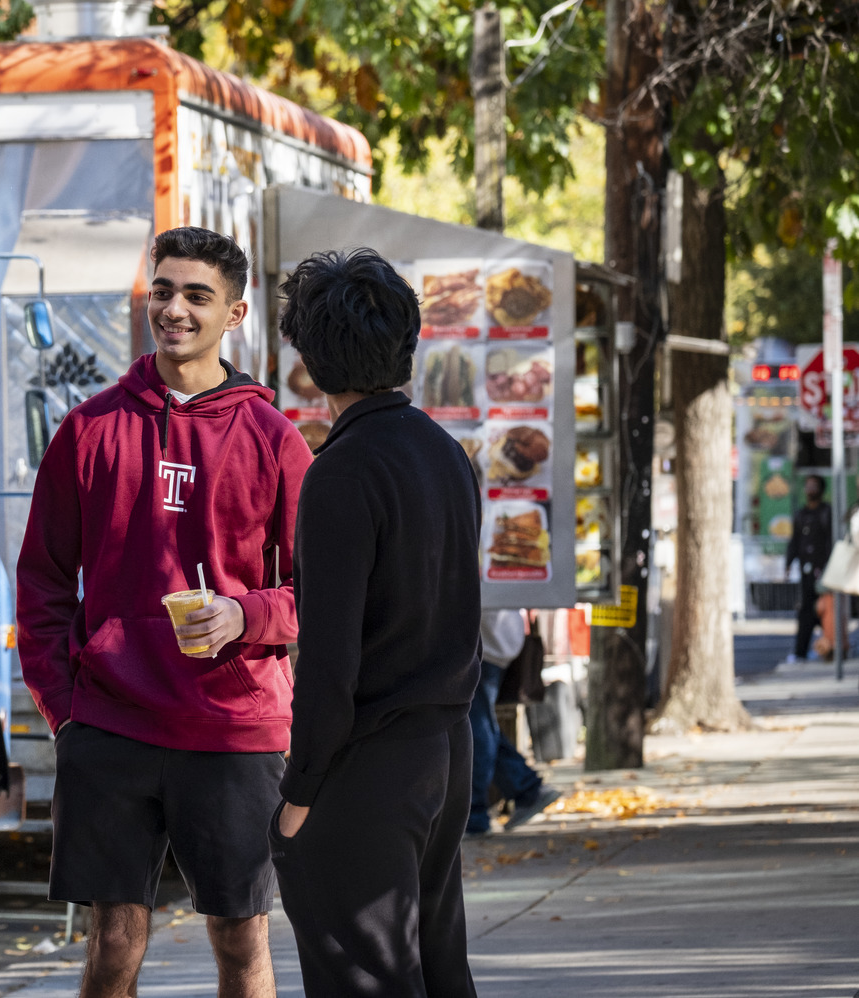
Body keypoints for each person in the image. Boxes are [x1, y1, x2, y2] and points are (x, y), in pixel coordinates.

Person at [17, 227, 312, 998]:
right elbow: (43, 579)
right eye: (163, 289)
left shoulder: (276, 440)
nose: (174, 309)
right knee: (113, 944)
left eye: (196, 296)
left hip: (233, 727)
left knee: (241, 942)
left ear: (236, 312)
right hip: (110, 724)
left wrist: (245, 616)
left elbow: (323, 594)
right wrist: (63, 707)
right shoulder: (88, 429)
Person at [271, 248, 479, 997]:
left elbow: (329, 661)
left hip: (369, 763)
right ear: (407, 343)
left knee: (363, 977)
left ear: (312, 359)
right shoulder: (448, 454)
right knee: (437, 968)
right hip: (445, 751)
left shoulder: (342, 471)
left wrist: (297, 794)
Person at [467, 610, 560, 837]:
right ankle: (525, 788)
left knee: (478, 729)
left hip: (485, 642)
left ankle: (477, 813)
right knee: (479, 726)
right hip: (494, 641)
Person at [787, 474, 832, 662]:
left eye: (814, 486)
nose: (810, 490)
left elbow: (831, 539)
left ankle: (830, 649)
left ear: (821, 489)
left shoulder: (826, 512)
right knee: (806, 611)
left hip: (825, 570)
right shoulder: (801, 514)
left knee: (826, 609)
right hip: (806, 570)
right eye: (808, 486)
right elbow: (795, 540)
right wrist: (789, 562)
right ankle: (801, 651)